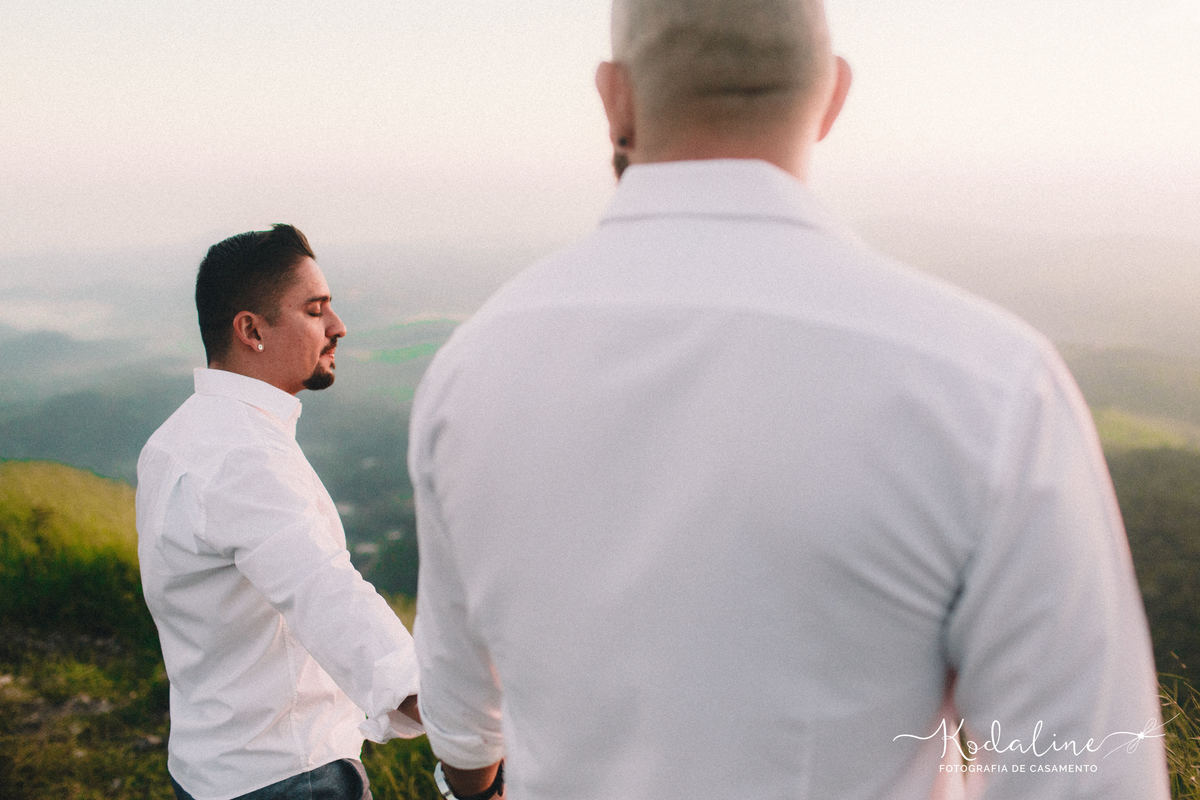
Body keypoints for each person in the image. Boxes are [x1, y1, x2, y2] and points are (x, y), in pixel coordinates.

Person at [408, 1, 1169, 798]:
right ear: (832, 97)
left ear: (614, 98)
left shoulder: (471, 367)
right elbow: (1084, 775)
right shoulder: (990, 381)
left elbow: (462, 716)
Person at [136, 224, 422, 800]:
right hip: (290, 777)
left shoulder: (175, 440)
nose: (338, 327)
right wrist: (464, 720)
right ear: (251, 329)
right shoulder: (246, 457)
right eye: (315, 311)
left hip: (212, 771)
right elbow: (327, 596)